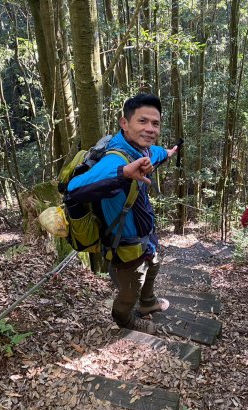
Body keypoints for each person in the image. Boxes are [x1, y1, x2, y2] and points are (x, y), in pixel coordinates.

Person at [66, 93, 177, 335]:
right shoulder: (115, 159)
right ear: (124, 123)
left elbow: (156, 153)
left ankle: (147, 303)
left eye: (155, 123)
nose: (149, 129)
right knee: (130, 291)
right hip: (124, 246)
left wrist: (168, 153)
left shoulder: (142, 151)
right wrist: (124, 173)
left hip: (143, 238)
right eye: (142, 121)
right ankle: (125, 320)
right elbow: (73, 190)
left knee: (155, 263)